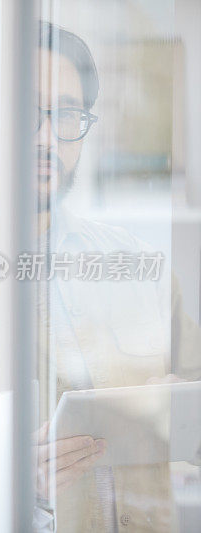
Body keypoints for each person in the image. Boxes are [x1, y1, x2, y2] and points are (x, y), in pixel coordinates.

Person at [32, 21, 201, 532]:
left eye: (67, 115)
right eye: (28, 113)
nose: (47, 138)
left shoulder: (140, 265)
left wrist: (181, 415)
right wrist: (13, 479)